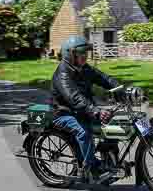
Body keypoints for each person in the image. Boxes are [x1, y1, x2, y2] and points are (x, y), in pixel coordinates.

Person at [51, 36, 120, 183]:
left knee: (114, 125)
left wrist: (119, 88)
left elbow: (103, 78)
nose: (84, 56)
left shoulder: (84, 68)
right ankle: (90, 168)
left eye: (85, 53)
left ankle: (108, 160)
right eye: (81, 53)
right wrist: (96, 111)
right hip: (63, 112)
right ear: (70, 55)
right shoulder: (63, 74)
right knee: (84, 131)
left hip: (82, 110)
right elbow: (75, 98)